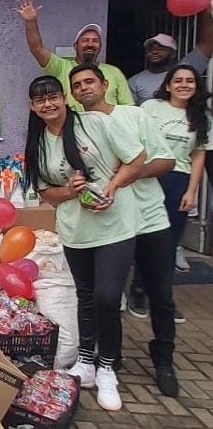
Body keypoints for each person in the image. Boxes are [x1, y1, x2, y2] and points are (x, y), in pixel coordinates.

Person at [23, 75, 144, 411]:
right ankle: (86, 363)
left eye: (52, 97)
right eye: (39, 100)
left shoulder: (95, 124)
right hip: (75, 230)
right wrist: (70, 192)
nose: (47, 104)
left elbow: (137, 159)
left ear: (64, 99)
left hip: (115, 225)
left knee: (107, 296)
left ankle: (108, 368)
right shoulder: (38, 143)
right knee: (86, 296)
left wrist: (111, 187)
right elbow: (47, 192)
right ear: (33, 107)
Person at [69, 64, 180, 397]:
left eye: (90, 81)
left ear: (105, 85)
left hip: (148, 219)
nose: (84, 88)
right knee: (105, 294)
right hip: (110, 223)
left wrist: (126, 171)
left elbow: (166, 161)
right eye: (77, 85)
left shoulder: (134, 116)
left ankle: (164, 359)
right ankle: (109, 359)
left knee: (160, 293)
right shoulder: (79, 126)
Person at [140, 65, 213, 314]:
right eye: (178, 80)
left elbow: (199, 155)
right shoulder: (151, 108)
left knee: (168, 242)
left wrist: (192, 191)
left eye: (190, 81)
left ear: (196, 86)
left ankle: (162, 298)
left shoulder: (202, 116)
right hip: (148, 176)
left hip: (178, 181)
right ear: (168, 85)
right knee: (143, 236)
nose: (184, 85)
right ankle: (138, 290)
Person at [15, 0, 133, 110]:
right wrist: (31, 22)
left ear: (100, 46)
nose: (90, 44)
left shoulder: (114, 72)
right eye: (85, 41)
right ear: (75, 46)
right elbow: (37, 48)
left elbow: (128, 108)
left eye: (95, 41)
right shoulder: (62, 67)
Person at [128, 10, 213, 105]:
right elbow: (131, 113)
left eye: (161, 48)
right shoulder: (134, 81)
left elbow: (208, 43)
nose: (154, 51)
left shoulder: (186, 69)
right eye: (150, 49)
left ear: (173, 53)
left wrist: (205, 9)